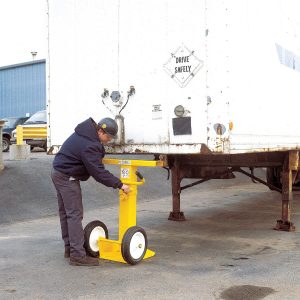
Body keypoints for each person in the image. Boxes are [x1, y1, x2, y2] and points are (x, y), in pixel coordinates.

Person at [51, 117, 130, 266]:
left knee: (66, 213)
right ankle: (77, 256)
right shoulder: (90, 144)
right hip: (67, 176)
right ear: (100, 131)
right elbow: (98, 172)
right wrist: (120, 184)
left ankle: (70, 249)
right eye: (108, 137)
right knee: (74, 215)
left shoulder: (84, 133)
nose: (108, 141)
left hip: (58, 171)